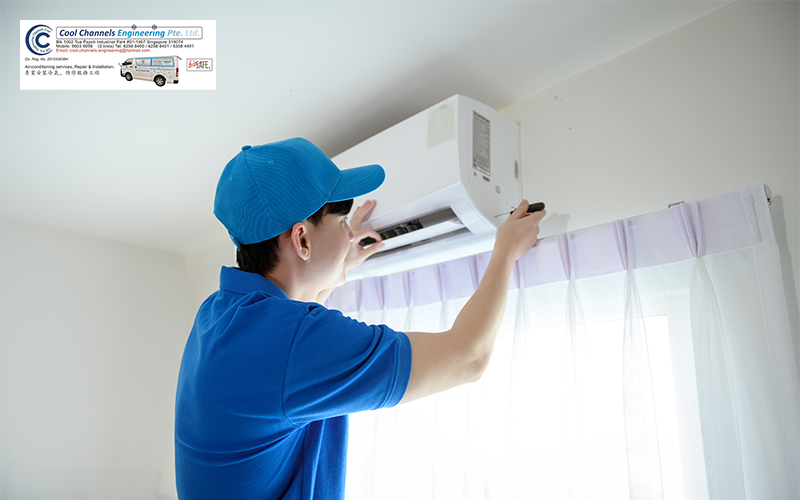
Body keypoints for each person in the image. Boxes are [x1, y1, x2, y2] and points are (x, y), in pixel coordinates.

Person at [174, 137, 545, 499]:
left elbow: (289, 340)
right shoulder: (291, 341)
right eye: (342, 224)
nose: (350, 233)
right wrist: (505, 253)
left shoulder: (219, 313)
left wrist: (335, 259)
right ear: (302, 240)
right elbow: (469, 358)